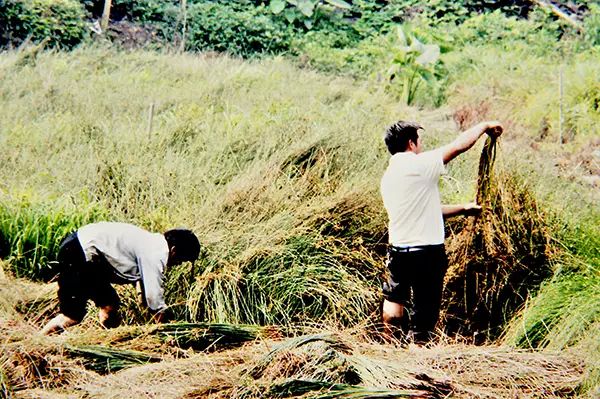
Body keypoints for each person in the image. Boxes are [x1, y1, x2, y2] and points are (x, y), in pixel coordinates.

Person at [380, 120, 503, 343]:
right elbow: (459, 146)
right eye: (420, 140)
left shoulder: (389, 177)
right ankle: (418, 353)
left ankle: (390, 347)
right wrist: (484, 126)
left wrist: (464, 209)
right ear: (411, 143)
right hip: (426, 252)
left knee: (394, 299)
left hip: (398, 250)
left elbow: (426, 210)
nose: (422, 146)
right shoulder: (419, 165)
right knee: (425, 307)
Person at [41, 222, 200, 334]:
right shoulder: (157, 252)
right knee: (72, 315)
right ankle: (35, 345)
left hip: (84, 251)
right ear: (173, 250)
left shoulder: (151, 242)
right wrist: (169, 329)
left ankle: (109, 341)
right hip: (79, 252)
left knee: (110, 306)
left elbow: (143, 289)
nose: (178, 264)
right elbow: (153, 299)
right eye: (181, 260)